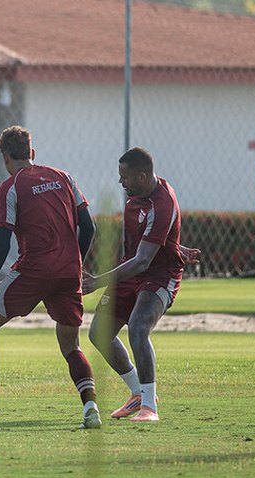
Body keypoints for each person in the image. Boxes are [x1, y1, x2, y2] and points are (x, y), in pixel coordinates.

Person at [0, 125, 100, 429]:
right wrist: (76, 263)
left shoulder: (10, 188)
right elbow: (89, 228)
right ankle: (90, 407)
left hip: (34, 269)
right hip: (68, 272)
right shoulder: (64, 177)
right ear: (32, 153)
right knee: (71, 346)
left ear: (5, 158)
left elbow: (1, 242)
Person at [83, 147, 195, 422]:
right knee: (99, 333)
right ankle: (137, 394)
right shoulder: (135, 198)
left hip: (159, 275)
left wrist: (98, 281)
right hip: (132, 270)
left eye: (125, 177)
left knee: (138, 327)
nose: (121, 182)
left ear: (142, 177)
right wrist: (174, 245)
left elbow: (144, 260)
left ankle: (150, 408)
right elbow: (145, 243)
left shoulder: (163, 202)